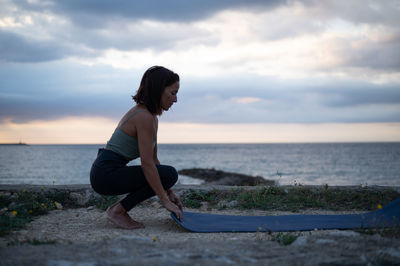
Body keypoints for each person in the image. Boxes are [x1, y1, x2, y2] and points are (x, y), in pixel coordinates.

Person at [90, 66, 183, 229]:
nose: (175, 100)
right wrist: (165, 202)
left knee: (167, 175)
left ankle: (118, 210)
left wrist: (169, 192)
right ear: (158, 90)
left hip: (108, 171)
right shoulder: (143, 117)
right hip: (104, 174)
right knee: (169, 174)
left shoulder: (152, 117)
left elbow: (153, 160)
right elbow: (147, 164)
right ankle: (118, 211)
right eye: (173, 93)